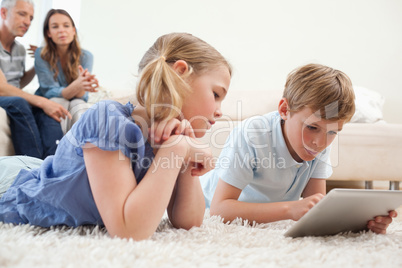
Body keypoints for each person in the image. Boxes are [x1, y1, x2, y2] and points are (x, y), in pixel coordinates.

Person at [0, 32, 232, 241]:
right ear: (180, 73)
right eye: (216, 93)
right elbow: (128, 231)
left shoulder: (171, 137)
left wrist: (184, 154)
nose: (220, 110)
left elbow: (188, 223)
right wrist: (178, 149)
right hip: (12, 183)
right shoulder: (107, 119)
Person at [201, 63, 396, 234]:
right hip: (204, 202)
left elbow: (315, 206)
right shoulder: (252, 134)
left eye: (333, 132)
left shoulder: (318, 141)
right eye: (312, 127)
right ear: (284, 110)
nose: (320, 143)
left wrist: (366, 223)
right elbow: (220, 210)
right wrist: (289, 209)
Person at [0, 0, 71, 159]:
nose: (27, 22)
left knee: (47, 111)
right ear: (3, 13)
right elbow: (2, 88)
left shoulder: (19, 49)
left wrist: (40, 62)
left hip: (10, 97)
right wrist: (41, 101)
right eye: (22, 14)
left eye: (31, 18)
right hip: (5, 97)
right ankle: (35, 166)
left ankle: (57, 164)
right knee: (23, 103)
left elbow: (18, 83)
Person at [34, 9, 99, 133]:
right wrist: (77, 85)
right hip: (50, 104)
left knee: (79, 105)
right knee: (58, 101)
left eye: (66, 26)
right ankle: (60, 148)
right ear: (48, 33)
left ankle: (82, 147)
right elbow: (49, 92)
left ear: (73, 30)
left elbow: (82, 96)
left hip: (75, 102)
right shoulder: (41, 54)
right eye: (55, 27)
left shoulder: (86, 56)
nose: (61, 30)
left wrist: (81, 85)